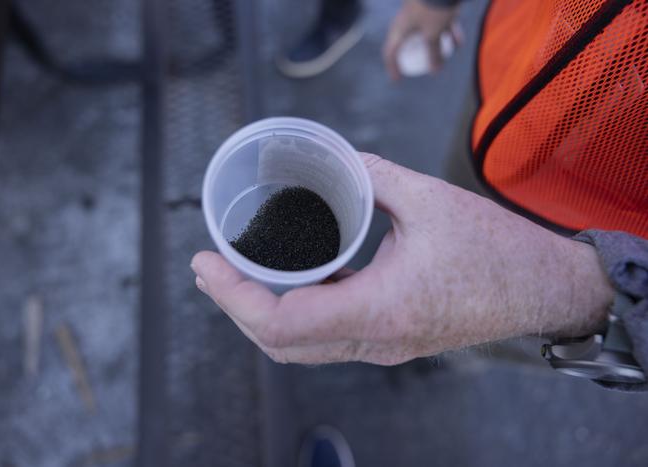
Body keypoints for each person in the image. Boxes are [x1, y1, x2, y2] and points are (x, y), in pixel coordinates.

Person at [193, 0, 648, 462]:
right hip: (513, 88)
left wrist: (582, 296)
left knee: (512, 326)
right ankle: (448, 342)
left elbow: (588, 322)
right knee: (461, 213)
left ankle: (459, 354)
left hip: (611, 214)